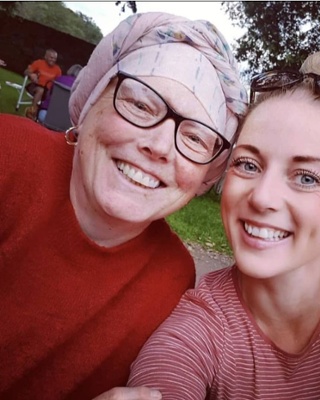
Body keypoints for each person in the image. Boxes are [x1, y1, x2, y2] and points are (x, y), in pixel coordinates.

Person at [0, 12, 247, 400]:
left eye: (196, 138)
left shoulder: (172, 278)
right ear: (91, 100)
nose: (160, 146)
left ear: (206, 177)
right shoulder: (8, 154)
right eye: (141, 105)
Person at [128, 51, 320, 399]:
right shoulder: (202, 321)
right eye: (249, 164)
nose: (261, 198)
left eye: (306, 177)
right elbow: (165, 377)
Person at [24, 48, 62, 119]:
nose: (53, 60)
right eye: (51, 57)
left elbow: (58, 83)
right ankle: (32, 112)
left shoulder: (57, 69)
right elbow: (26, 71)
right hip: (34, 86)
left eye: (55, 58)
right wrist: (31, 74)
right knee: (40, 90)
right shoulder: (39, 63)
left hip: (47, 91)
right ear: (46, 57)